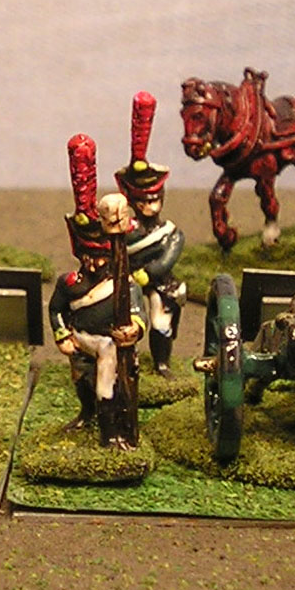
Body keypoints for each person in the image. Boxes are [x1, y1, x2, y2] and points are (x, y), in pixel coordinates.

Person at [49, 134, 145, 448]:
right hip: (80, 341)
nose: (94, 263)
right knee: (83, 383)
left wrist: (134, 329)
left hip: (109, 342)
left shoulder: (123, 283)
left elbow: (137, 310)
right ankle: (86, 413)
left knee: (110, 387)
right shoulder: (70, 283)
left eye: (100, 257)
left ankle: (111, 432)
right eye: (88, 256)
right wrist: (62, 336)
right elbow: (56, 310)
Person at [114, 91, 186, 377]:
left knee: (160, 321)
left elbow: (165, 262)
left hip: (158, 282)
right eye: (142, 201)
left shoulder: (171, 234)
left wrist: (145, 275)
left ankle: (161, 363)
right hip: (126, 281)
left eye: (153, 199)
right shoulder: (126, 231)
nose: (148, 206)